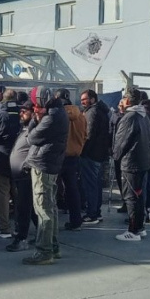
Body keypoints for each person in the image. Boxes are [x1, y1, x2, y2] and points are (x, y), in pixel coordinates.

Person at [22, 86, 68, 265]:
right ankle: (53, 246)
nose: (34, 107)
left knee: (43, 209)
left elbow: (31, 138)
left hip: (44, 164)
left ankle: (44, 251)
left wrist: (35, 119)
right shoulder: (57, 112)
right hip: (50, 164)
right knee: (50, 207)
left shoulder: (51, 117)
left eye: (35, 103)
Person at [113, 89, 150, 241]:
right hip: (142, 161)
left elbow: (121, 141)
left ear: (128, 101)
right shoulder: (143, 115)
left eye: (123, 99)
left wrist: (116, 156)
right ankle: (140, 227)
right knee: (138, 196)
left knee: (131, 197)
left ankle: (133, 230)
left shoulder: (130, 117)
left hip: (131, 163)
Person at [0, 89, 21, 238]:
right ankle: (21, 225)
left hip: (0, 158)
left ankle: (4, 227)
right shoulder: (23, 115)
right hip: (20, 159)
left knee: (2, 194)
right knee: (19, 193)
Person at [55, 88, 87, 231]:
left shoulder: (57, 115)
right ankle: (76, 220)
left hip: (58, 156)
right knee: (72, 189)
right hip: (74, 156)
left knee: (51, 190)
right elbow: (85, 135)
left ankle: (49, 224)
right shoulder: (81, 116)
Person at [7, 99, 36, 252]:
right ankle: (44, 234)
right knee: (30, 208)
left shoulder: (34, 128)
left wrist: (26, 165)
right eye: (21, 111)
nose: (21, 113)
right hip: (20, 175)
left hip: (27, 174)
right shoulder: (24, 128)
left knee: (23, 208)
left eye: (25, 111)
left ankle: (21, 238)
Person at [79, 89, 111, 224]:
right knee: (96, 184)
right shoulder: (103, 111)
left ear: (92, 99)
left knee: (91, 185)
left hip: (91, 154)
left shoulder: (92, 112)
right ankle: (96, 212)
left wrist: (83, 151)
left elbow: (89, 134)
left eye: (84, 99)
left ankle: (92, 213)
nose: (82, 102)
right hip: (100, 153)